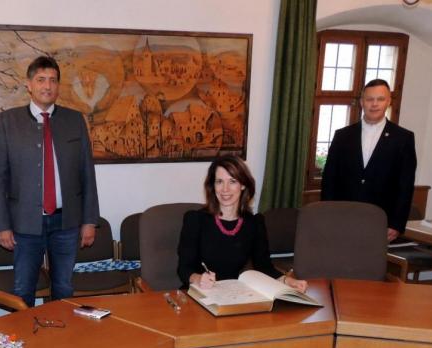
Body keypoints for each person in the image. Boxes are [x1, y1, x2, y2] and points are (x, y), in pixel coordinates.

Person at [0, 55, 100, 307]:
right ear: (29, 84)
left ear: (58, 86)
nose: (47, 86)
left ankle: (62, 332)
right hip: (25, 224)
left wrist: (89, 221)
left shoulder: (74, 120)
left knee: (64, 288)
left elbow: (87, 173)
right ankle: (25, 332)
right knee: (23, 290)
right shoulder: (8, 122)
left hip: (67, 223)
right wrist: (2, 225)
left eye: (52, 80)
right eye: (41, 79)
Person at [177, 156, 307, 291]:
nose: (225, 189)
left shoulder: (254, 224)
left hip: (232, 294)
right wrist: (198, 279)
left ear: (243, 185)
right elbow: (184, 269)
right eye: (219, 182)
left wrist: (287, 280)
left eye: (232, 181)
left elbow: (264, 267)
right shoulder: (195, 220)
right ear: (213, 186)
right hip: (198, 293)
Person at [320, 79, 417, 242]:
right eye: (370, 99)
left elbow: (405, 185)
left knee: (372, 260)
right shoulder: (343, 136)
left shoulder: (403, 138)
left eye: (380, 99)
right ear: (361, 102)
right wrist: (327, 214)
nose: (374, 104)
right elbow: (329, 179)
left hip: (381, 221)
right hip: (342, 217)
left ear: (388, 101)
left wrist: (397, 224)